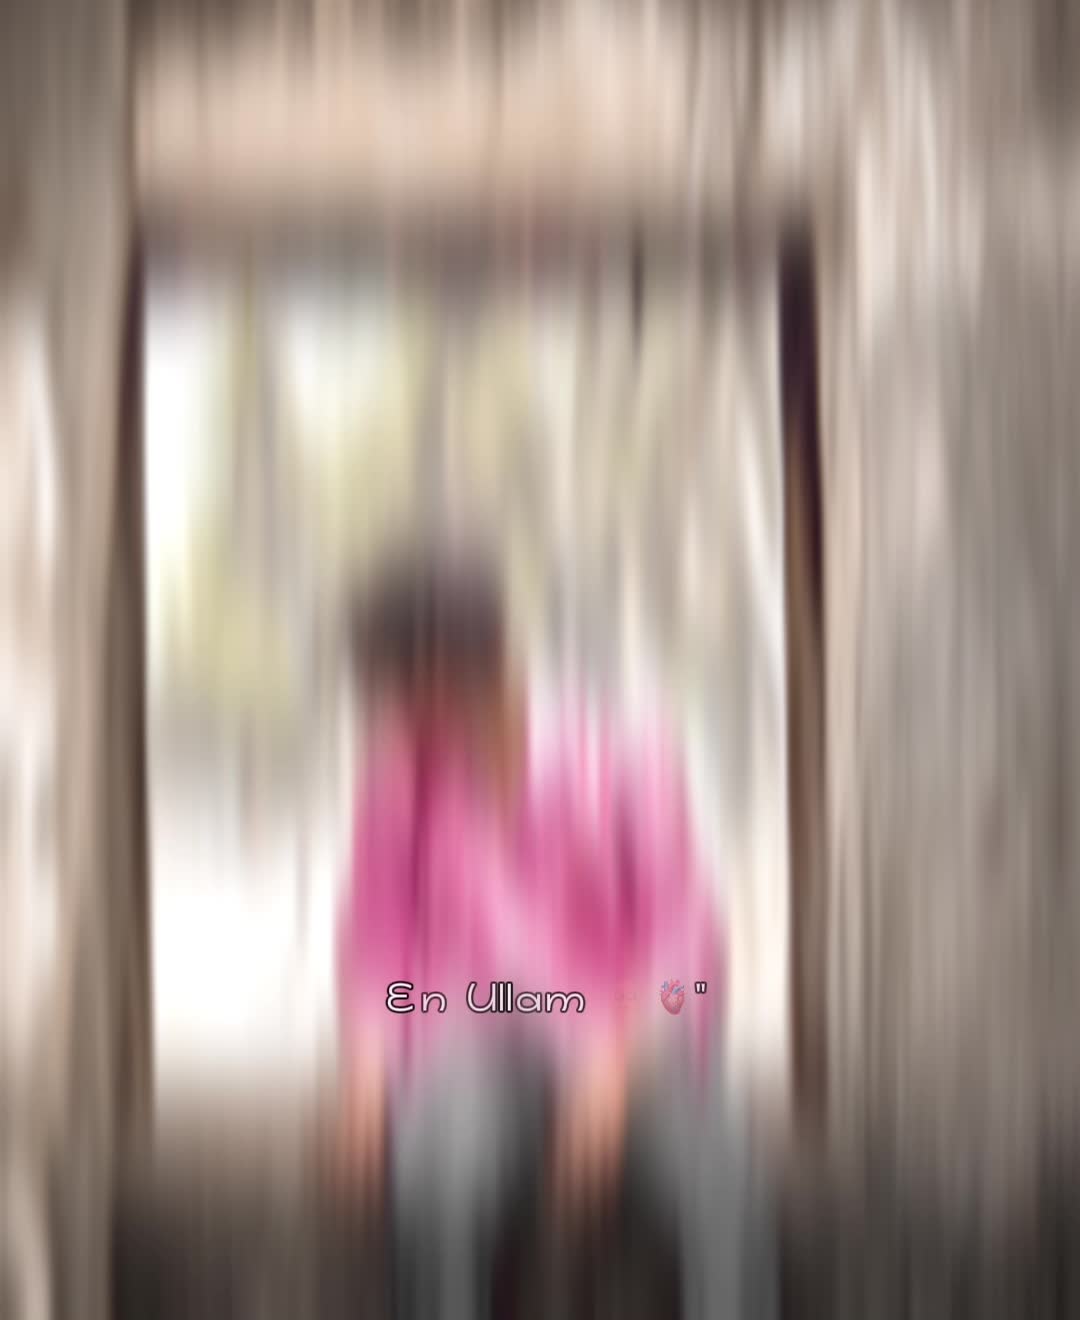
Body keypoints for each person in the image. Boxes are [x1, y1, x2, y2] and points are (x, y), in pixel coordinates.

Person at [333, 544, 775, 1320]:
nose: (398, 719)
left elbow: (691, 954)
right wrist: (368, 1072)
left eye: (413, 693)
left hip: (630, 1041)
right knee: (431, 1177)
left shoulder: (627, 754)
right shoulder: (397, 777)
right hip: (471, 1042)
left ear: (482, 662)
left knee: (724, 1183)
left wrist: (615, 1070)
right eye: (389, 697)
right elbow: (377, 945)